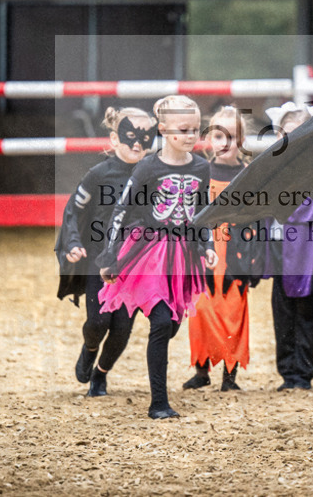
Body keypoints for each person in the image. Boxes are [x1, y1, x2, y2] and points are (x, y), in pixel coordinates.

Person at [96, 95, 217, 419]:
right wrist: (110, 255)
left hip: (183, 255)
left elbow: (203, 213)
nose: (191, 135)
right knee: (161, 322)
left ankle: (104, 373)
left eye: (196, 129)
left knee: (173, 323)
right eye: (183, 129)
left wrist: (208, 247)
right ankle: (158, 403)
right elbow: (121, 208)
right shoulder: (148, 166)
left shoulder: (201, 167)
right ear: (163, 129)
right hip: (147, 251)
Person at [56, 107, 157, 397]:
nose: (137, 142)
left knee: (122, 329)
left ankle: (100, 374)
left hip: (134, 263)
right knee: (99, 321)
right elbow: (73, 209)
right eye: (130, 135)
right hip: (99, 259)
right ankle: (89, 349)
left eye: (145, 136)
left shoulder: (153, 174)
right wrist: (73, 241)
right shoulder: (98, 174)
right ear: (114, 138)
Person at [183, 106, 262, 392]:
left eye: (232, 136)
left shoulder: (248, 175)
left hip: (235, 253)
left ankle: (230, 376)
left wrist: (255, 258)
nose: (225, 142)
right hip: (205, 249)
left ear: (241, 141)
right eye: (219, 135)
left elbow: (256, 219)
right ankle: (202, 370)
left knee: (233, 311)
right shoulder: (199, 172)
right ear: (209, 139)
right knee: (201, 309)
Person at [266, 106, 313, 391]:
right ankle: (287, 371)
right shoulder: (272, 164)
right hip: (282, 246)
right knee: (282, 311)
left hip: (312, 249)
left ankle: (303, 373)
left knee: (308, 309)